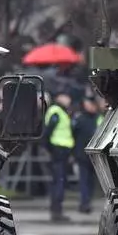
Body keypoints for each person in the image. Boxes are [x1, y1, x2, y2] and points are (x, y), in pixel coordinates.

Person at [43, 92, 75, 223]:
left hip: (61, 151)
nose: (68, 99)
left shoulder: (61, 111)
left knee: (59, 181)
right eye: (66, 96)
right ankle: (56, 211)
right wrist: (51, 149)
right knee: (59, 181)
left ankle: (57, 210)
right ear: (59, 98)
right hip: (58, 150)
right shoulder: (56, 111)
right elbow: (47, 133)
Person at [72, 95, 103, 214]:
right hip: (82, 154)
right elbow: (73, 135)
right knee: (84, 180)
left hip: (93, 155)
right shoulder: (80, 119)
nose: (90, 107)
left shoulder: (98, 118)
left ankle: (87, 202)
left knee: (90, 181)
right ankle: (85, 203)